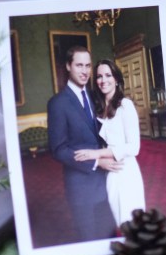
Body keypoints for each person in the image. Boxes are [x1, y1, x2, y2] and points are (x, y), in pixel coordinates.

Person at [46, 46, 120, 242]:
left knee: (112, 239)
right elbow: (59, 149)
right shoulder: (58, 103)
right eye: (79, 65)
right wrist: (97, 162)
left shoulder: (97, 97)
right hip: (82, 188)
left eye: (88, 65)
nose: (85, 71)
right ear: (68, 66)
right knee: (89, 242)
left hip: (107, 183)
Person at [74, 60, 146, 225]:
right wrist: (99, 160)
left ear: (116, 79)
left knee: (132, 224)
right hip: (108, 172)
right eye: (99, 76)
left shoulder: (125, 106)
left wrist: (96, 154)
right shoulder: (97, 108)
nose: (103, 80)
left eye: (108, 75)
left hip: (125, 171)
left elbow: (134, 147)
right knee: (115, 221)